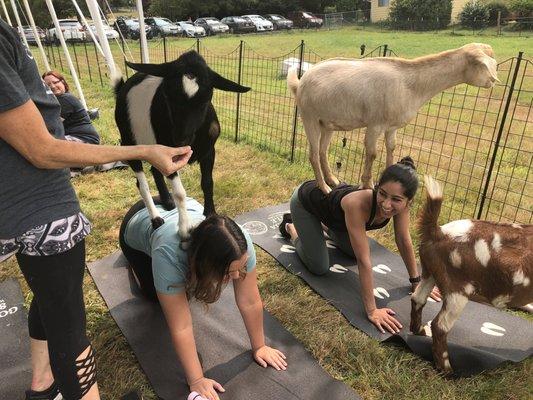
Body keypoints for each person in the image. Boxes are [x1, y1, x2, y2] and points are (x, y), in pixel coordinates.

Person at [0, 18, 192, 400]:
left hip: (19, 204)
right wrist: (143, 150)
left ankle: (42, 385)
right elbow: (42, 150)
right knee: (69, 320)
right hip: (39, 203)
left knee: (52, 294)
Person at [119, 197, 288, 400]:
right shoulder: (168, 253)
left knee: (183, 289)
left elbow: (250, 300)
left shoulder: (239, 244)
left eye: (239, 268)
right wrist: (197, 380)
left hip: (176, 203)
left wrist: (260, 346)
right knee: (155, 298)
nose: (235, 277)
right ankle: (135, 265)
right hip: (139, 220)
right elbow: (180, 326)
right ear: (205, 263)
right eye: (228, 272)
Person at [280, 157, 441, 335]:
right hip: (306, 203)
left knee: (350, 252)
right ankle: (292, 227)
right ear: (377, 187)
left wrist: (416, 282)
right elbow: (363, 261)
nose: (387, 204)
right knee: (319, 266)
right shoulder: (357, 203)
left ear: (408, 202)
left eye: (396, 199)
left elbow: (403, 240)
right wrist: (372, 310)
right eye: (382, 194)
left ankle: (322, 228)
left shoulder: (402, 206)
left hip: (337, 218)